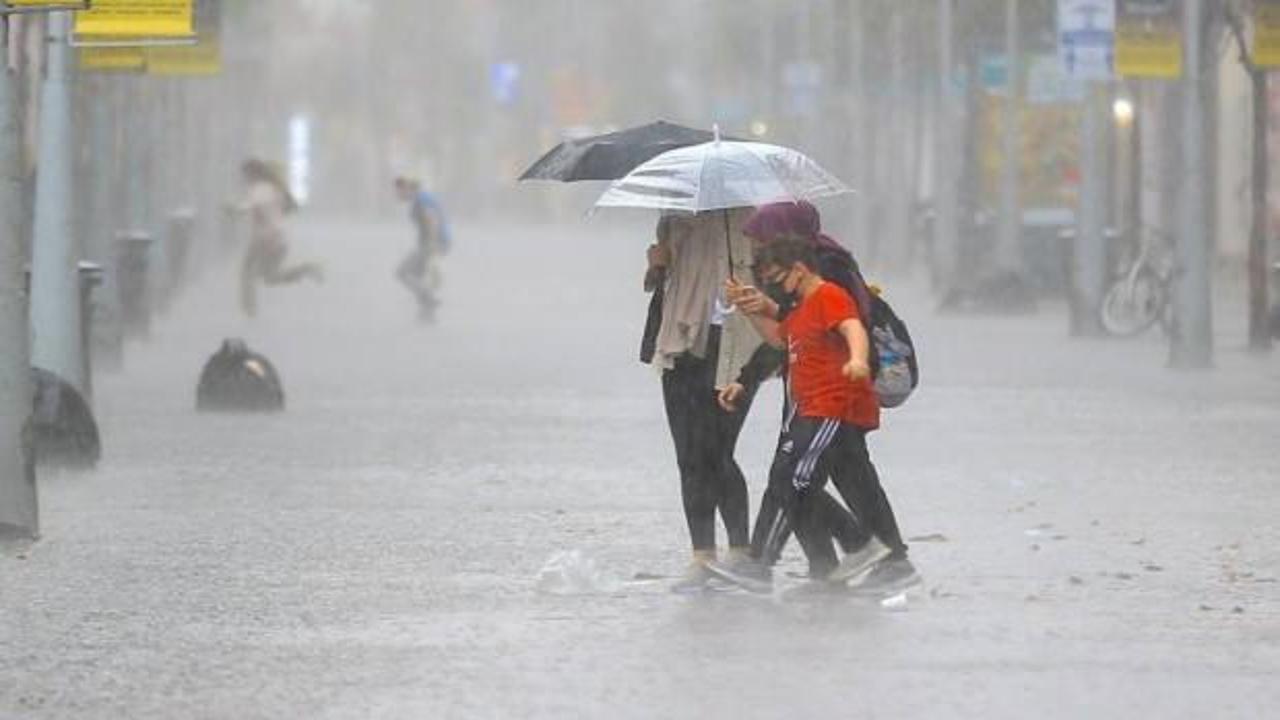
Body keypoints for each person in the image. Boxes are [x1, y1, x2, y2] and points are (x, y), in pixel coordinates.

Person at [723, 202, 918, 594]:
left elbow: (843, 326)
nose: (761, 255)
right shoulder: (806, 276)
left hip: (832, 396)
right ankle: (855, 560)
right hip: (815, 394)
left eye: (766, 242)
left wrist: (858, 361)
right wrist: (757, 325)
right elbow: (790, 333)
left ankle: (769, 561)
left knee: (793, 479)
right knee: (839, 478)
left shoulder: (827, 273)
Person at [641, 209, 762, 592]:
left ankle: (740, 551)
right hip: (680, 344)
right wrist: (656, 266)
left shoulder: (750, 221)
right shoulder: (673, 217)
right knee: (689, 455)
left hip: (734, 348)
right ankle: (703, 555)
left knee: (717, 450)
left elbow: (770, 279)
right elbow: (660, 283)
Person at [230, 159, 322, 317]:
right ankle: (306, 269)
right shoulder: (273, 189)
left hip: (265, 239)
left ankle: (250, 309)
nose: (243, 178)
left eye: (245, 174)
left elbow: (251, 205)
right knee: (270, 277)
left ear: (253, 174)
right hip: (276, 238)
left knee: (248, 272)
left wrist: (234, 209)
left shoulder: (261, 189)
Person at [394, 177, 452, 321]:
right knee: (419, 275)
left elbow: (431, 219)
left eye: (399, 192)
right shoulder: (423, 198)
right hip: (435, 242)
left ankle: (428, 300)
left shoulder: (421, 200)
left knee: (402, 272)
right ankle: (427, 311)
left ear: (407, 188)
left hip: (432, 243)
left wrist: (432, 245)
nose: (398, 196)